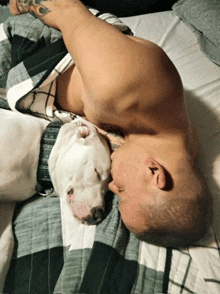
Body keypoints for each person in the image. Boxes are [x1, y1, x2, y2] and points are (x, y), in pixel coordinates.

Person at [8, 0, 212, 247]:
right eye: (122, 191)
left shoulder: (183, 149)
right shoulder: (118, 85)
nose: (112, 185)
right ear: (155, 172)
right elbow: (63, 7)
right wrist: (20, 4)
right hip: (26, 47)